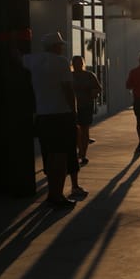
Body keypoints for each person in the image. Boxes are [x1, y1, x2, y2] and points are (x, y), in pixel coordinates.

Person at [26, 32, 78, 209]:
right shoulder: (61, 62)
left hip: (43, 115)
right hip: (61, 114)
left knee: (49, 155)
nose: (62, 47)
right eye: (60, 45)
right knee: (62, 156)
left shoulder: (32, 60)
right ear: (56, 46)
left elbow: (17, 58)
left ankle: (51, 192)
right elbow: (67, 89)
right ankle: (57, 195)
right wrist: (74, 111)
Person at [72, 55, 102, 165]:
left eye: (80, 63)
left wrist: (93, 93)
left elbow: (99, 88)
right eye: (75, 63)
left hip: (86, 106)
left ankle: (83, 154)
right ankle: (77, 151)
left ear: (83, 64)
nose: (77, 65)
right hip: (72, 108)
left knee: (85, 130)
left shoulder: (89, 75)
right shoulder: (69, 76)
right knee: (75, 131)